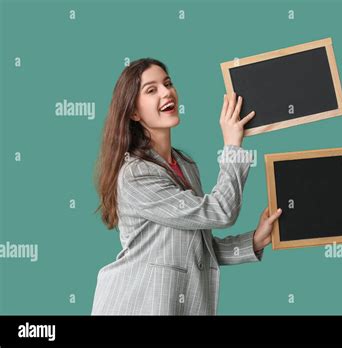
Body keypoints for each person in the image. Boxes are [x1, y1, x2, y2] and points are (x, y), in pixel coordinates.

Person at [91, 58, 282, 315]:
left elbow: (195, 247)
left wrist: (255, 241)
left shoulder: (185, 164)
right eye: (151, 89)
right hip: (137, 305)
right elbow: (221, 212)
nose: (166, 92)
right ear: (134, 113)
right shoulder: (136, 174)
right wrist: (233, 147)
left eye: (167, 83)